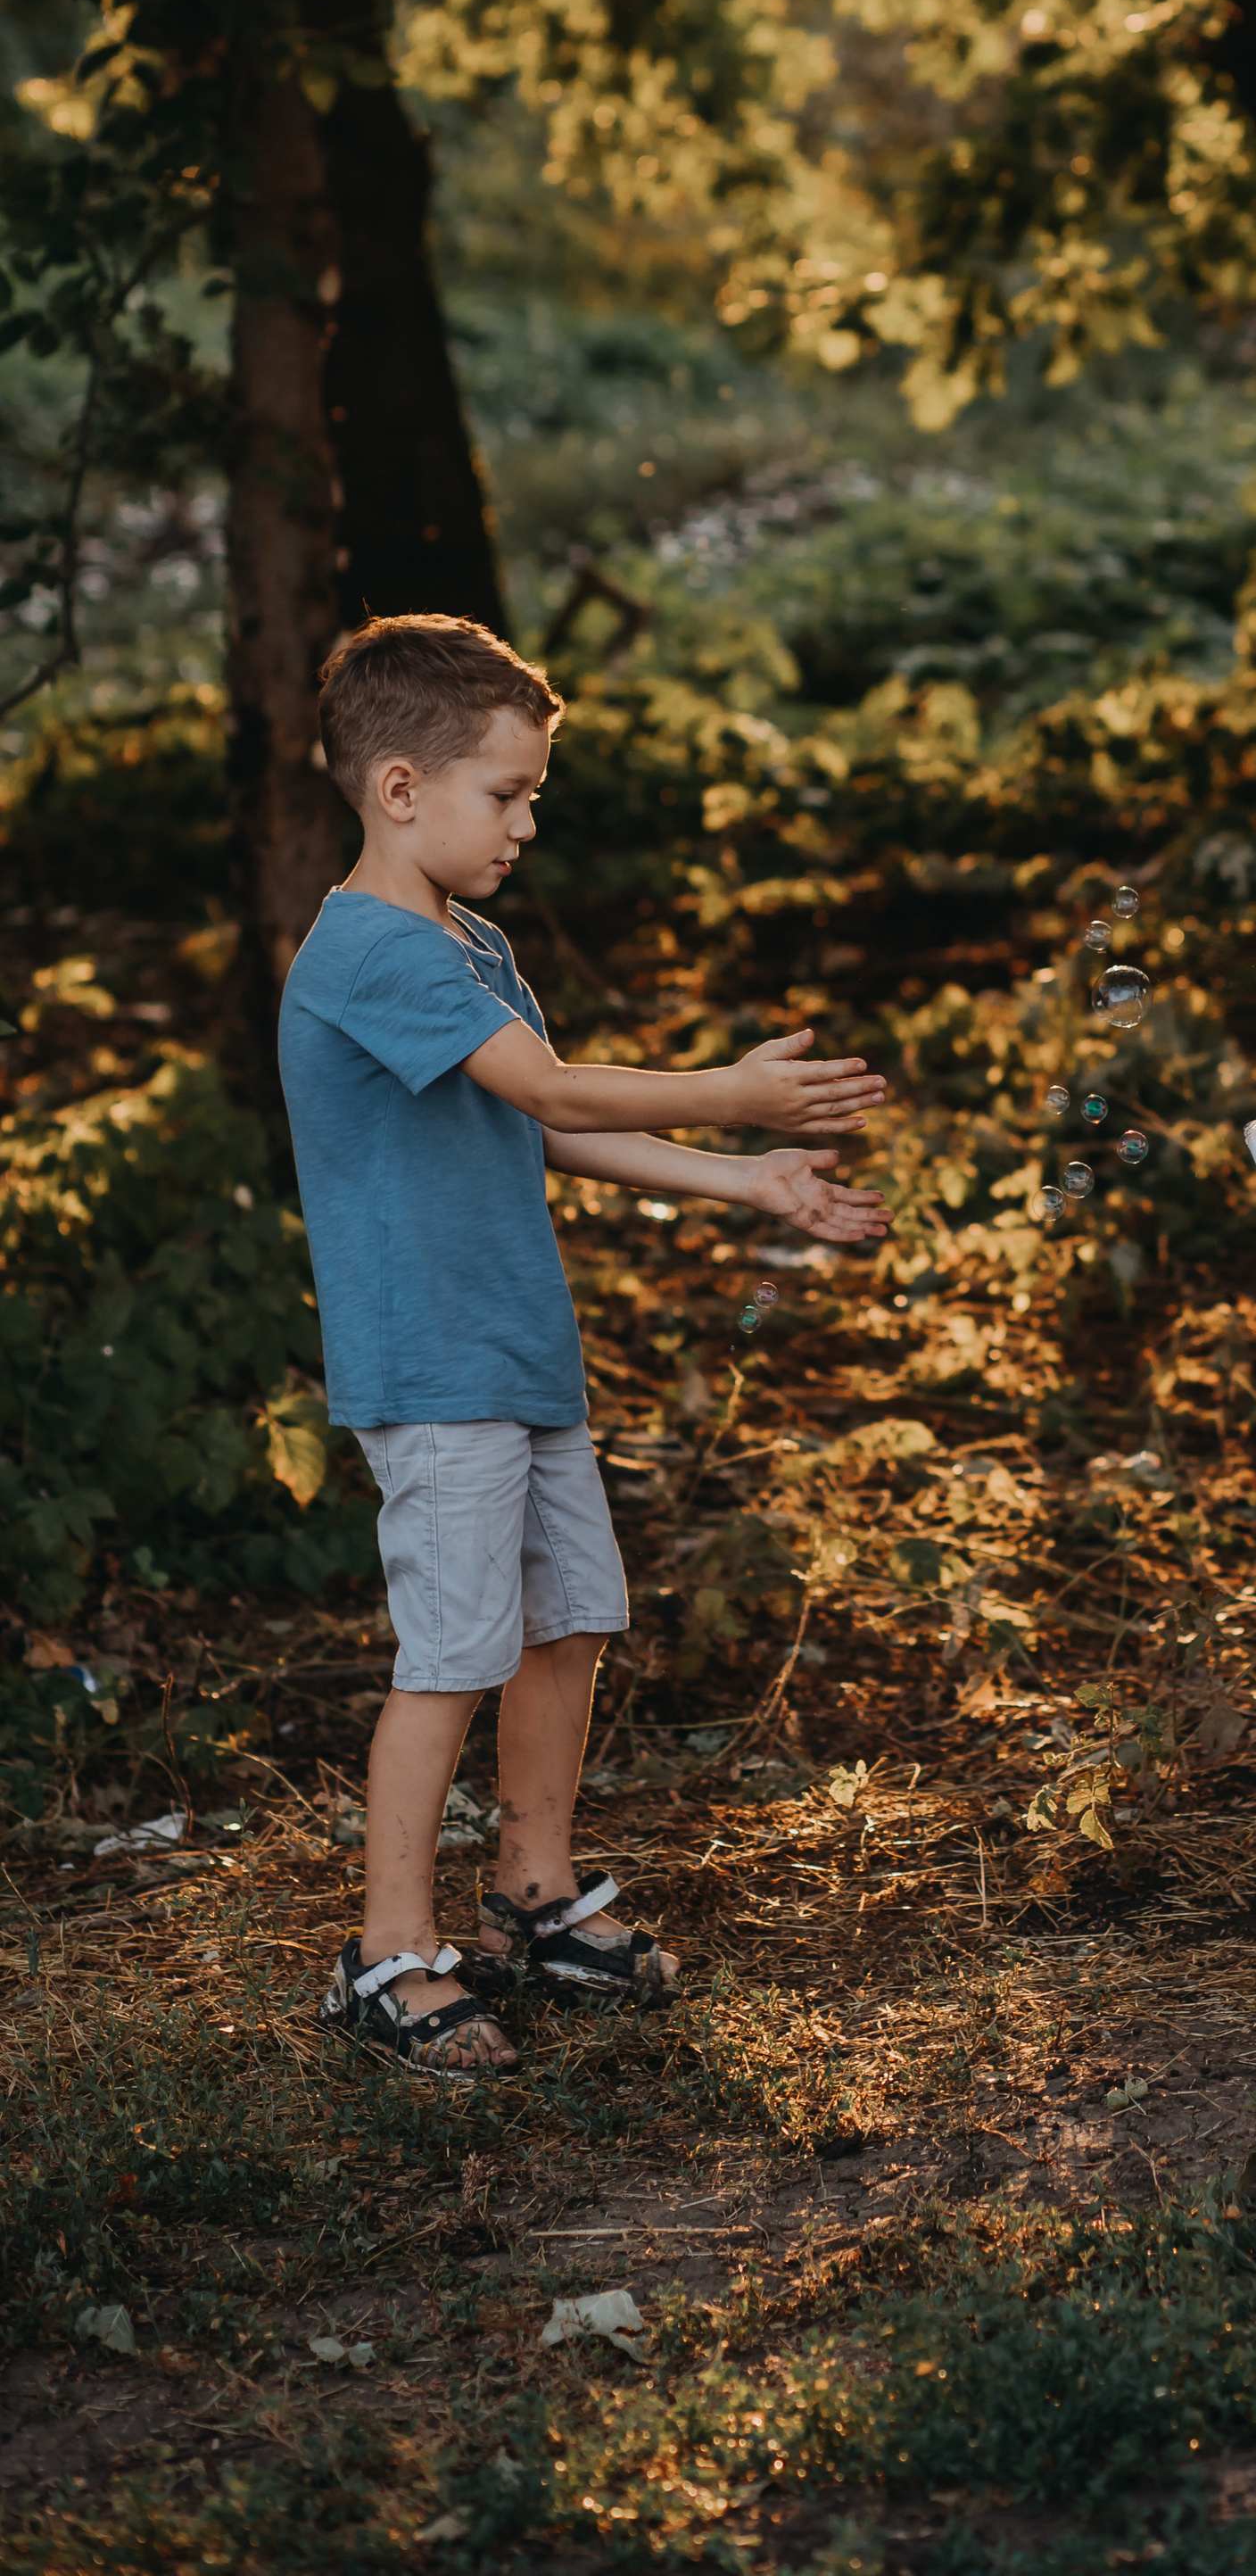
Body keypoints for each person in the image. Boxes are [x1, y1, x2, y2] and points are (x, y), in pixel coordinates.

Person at [279, 612, 889, 2073]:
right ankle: (388, 1954)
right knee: (453, 1654)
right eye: (508, 794)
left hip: (516, 1355)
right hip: (434, 1372)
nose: (528, 823)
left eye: (534, 794)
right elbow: (552, 1092)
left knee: (568, 1623)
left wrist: (745, 1179)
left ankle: (535, 1897)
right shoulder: (370, 951)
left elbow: (543, 1122)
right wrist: (733, 1098)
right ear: (400, 789)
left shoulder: (468, 942)